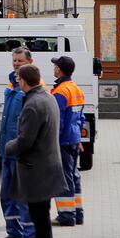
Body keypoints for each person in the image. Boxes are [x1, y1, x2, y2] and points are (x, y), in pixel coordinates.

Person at [5, 64, 67, 238]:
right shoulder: (48, 97)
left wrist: (8, 146)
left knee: (39, 218)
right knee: (43, 218)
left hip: (37, 170)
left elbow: (25, 141)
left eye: (18, 79)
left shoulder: (33, 104)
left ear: (23, 81)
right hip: (49, 165)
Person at [0, 48, 37, 238]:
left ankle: (29, 237)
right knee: (6, 196)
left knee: (23, 198)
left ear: (30, 61)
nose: (16, 63)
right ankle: (14, 232)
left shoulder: (33, 87)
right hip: (7, 150)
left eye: (20, 60)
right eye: (14, 60)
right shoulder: (12, 82)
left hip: (21, 153)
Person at [49, 56, 85, 227]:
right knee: (73, 176)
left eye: (55, 66)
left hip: (63, 140)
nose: (54, 68)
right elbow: (80, 117)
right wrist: (78, 138)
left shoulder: (60, 92)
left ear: (59, 69)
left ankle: (66, 216)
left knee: (64, 177)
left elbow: (58, 121)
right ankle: (78, 213)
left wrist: (51, 141)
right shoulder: (76, 89)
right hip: (74, 138)